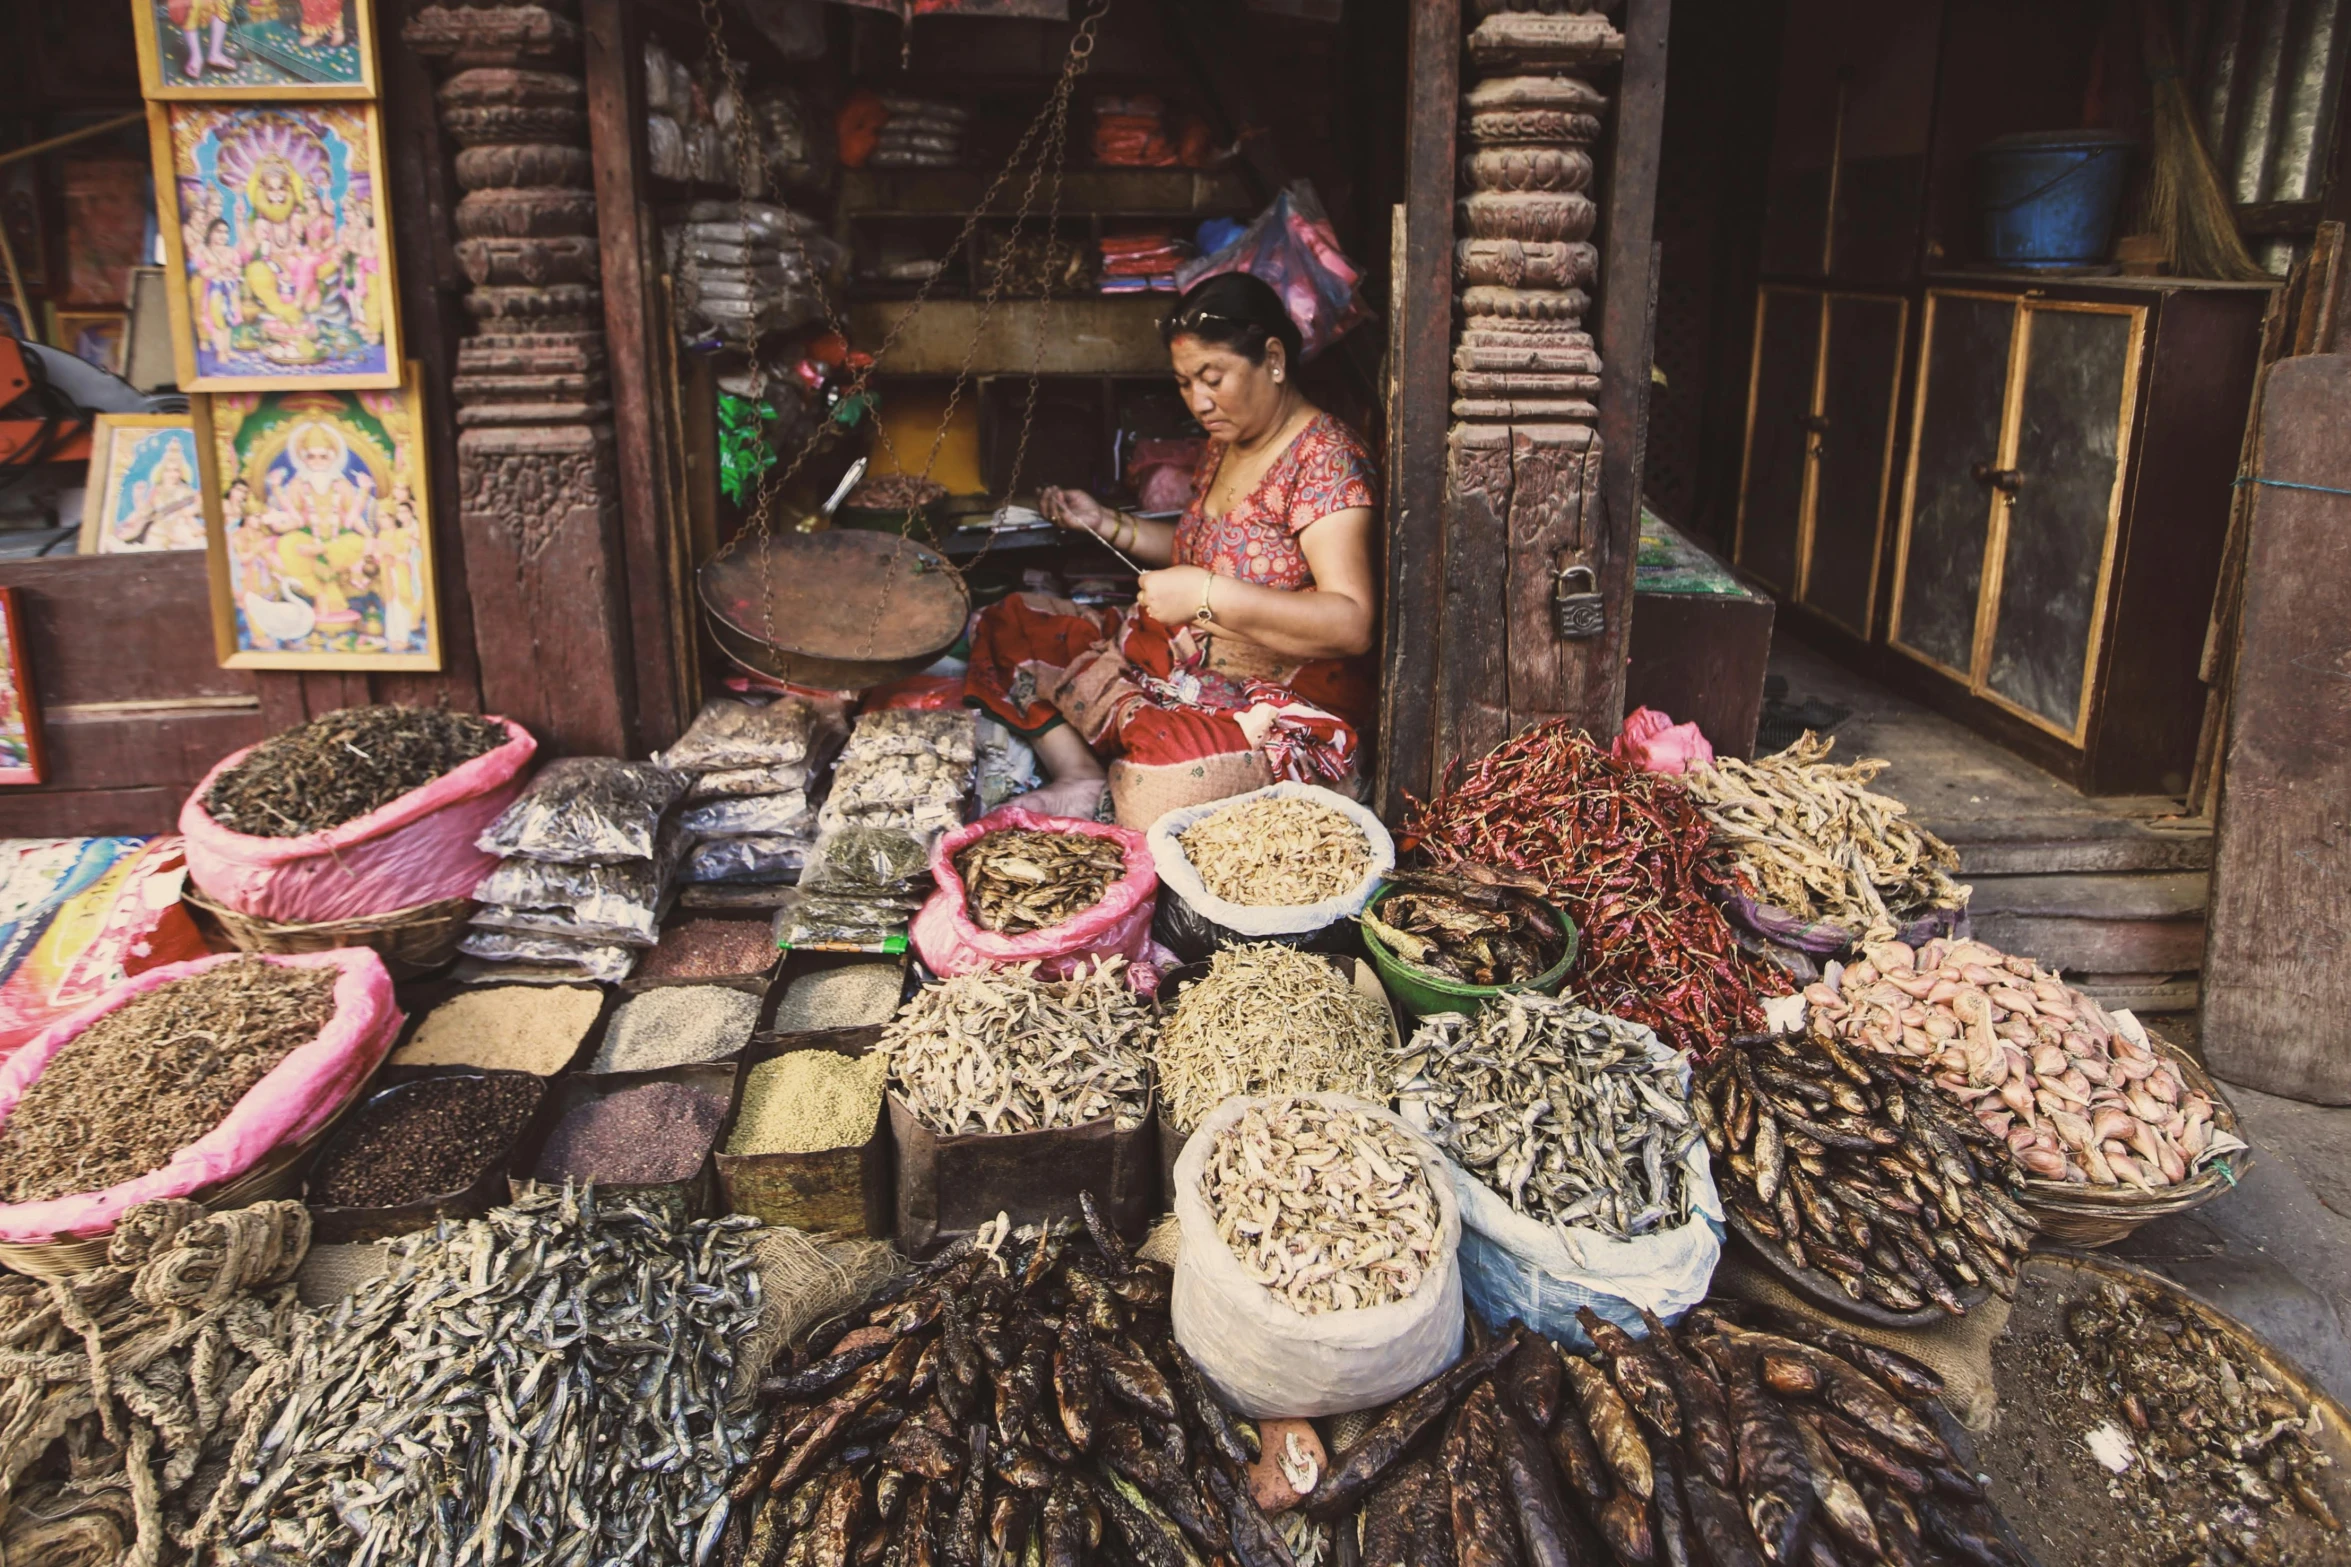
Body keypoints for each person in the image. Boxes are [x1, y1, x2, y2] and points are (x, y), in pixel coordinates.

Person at [965, 270, 1377, 826]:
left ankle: (1129, 762)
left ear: (1274, 359)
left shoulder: (1324, 458)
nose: (1199, 401)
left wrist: (1205, 595)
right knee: (1009, 621)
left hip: (1270, 692)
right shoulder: (1227, 440)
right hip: (1175, 653)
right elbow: (1199, 545)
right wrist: (1104, 522)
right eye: (1185, 383)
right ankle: (1082, 773)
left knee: (1160, 782)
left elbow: (1350, 622)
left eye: (1213, 377)